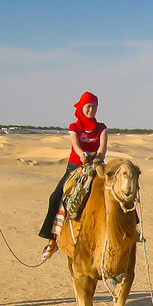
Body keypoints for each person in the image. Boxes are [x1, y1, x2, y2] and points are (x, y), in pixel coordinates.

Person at [38, 91, 108, 260]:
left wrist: (98, 156)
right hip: (76, 166)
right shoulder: (74, 127)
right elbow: (75, 144)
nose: (91, 110)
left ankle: (131, 228)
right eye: (88, 106)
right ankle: (52, 239)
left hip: (97, 166)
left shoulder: (102, 128)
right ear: (82, 107)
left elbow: (103, 147)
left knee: (117, 190)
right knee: (55, 197)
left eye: (94, 107)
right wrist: (83, 155)